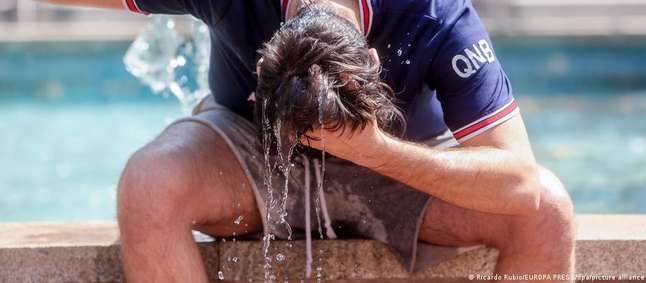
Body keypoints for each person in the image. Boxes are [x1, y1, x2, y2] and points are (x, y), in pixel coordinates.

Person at [41, 0, 576, 282]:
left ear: (371, 64)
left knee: (548, 210)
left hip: (394, 158)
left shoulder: (433, 12)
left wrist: (376, 150)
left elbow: (522, 183)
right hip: (250, 150)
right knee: (149, 182)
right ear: (264, 61)